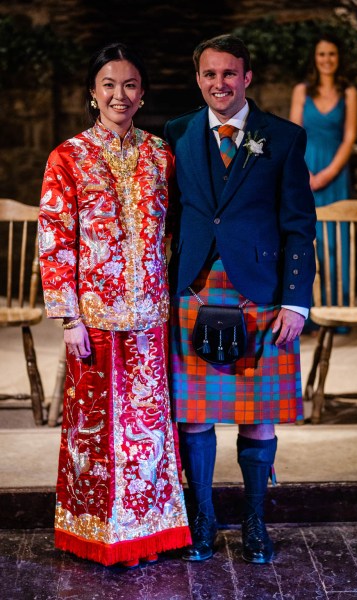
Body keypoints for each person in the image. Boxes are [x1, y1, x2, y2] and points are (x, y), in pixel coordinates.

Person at [164, 34, 316, 564]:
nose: (219, 84)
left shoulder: (283, 137)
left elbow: (299, 226)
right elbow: (175, 216)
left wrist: (296, 301)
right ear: (198, 77)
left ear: (247, 77)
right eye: (209, 74)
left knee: (258, 417)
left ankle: (254, 522)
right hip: (193, 290)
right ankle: (202, 521)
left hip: (261, 295)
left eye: (229, 74)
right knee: (194, 416)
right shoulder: (178, 132)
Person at [38, 42, 191, 568]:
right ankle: (94, 535)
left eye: (129, 85)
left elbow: (175, 230)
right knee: (94, 435)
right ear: (93, 93)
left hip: (150, 318)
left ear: (142, 94)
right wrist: (68, 318)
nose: (119, 95)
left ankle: (150, 532)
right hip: (94, 323)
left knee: (147, 435)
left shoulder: (160, 155)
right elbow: (55, 241)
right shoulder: (68, 157)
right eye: (109, 85)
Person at [290, 34, 357, 321]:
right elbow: (293, 134)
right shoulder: (301, 91)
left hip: (335, 172)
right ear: (314, 59)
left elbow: (350, 136)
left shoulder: (349, 92)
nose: (327, 59)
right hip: (304, 168)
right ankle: (308, 311)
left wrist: (328, 173)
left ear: (338, 58)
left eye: (331, 54)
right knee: (307, 238)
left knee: (336, 240)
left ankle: (337, 310)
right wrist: (306, 174)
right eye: (321, 54)